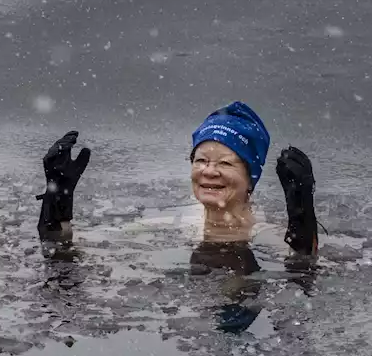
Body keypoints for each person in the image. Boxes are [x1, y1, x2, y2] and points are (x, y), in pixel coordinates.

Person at [38, 101, 321, 260]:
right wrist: (58, 201)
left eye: (225, 163)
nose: (209, 171)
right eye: (200, 161)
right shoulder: (176, 224)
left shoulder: (264, 236)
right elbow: (67, 246)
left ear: (251, 178)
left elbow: (304, 268)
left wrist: (301, 216)